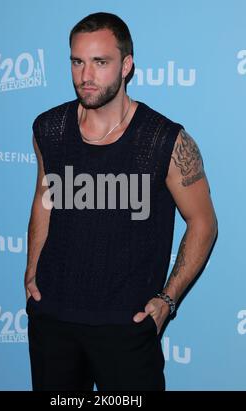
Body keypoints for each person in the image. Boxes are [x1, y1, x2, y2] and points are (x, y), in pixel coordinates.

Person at [24, 12, 218, 391]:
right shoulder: (48, 128)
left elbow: (204, 222)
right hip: (53, 321)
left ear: (126, 65)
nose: (86, 76)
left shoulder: (166, 140)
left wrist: (167, 299)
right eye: (78, 62)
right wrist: (31, 270)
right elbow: (44, 198)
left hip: (127, 328)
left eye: (100, 62)